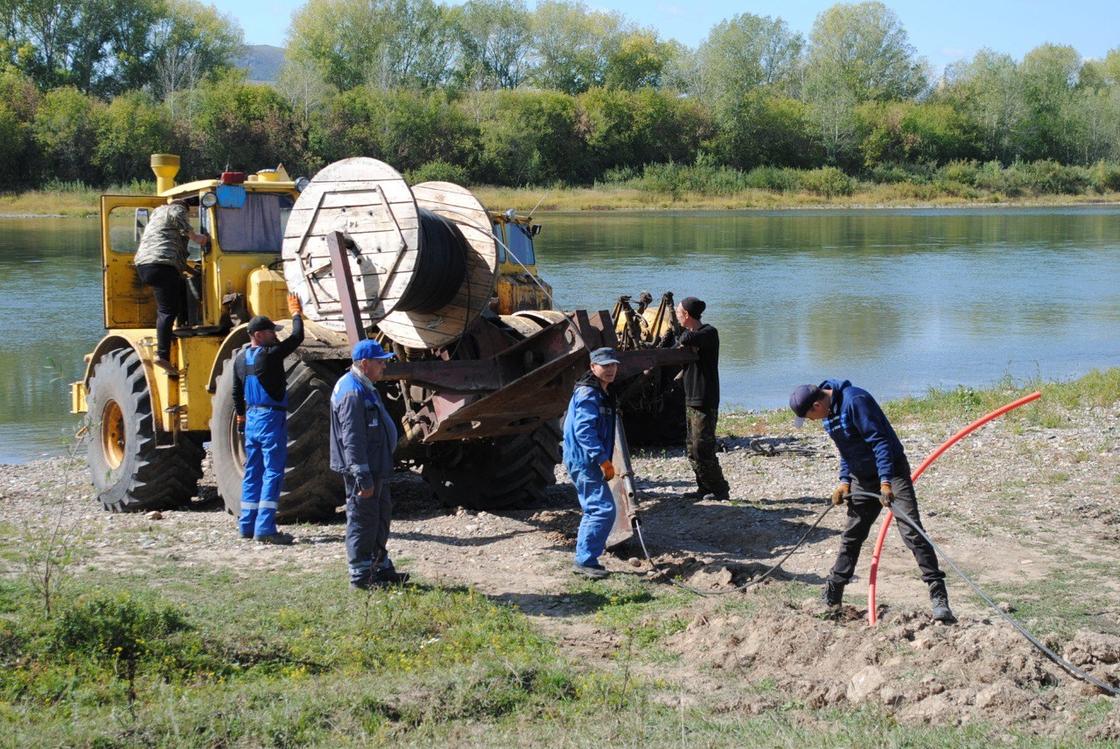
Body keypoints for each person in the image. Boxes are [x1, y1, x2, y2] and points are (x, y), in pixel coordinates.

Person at [789, 380, 955, 623]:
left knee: (913, 532)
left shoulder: (855, 401)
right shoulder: (828, 415)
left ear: (816, 404)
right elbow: (846, 450)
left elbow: (880, 443)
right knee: (852, 535)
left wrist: (886, 482)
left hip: (892, 472)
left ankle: (938, 595)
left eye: (809, 416)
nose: (812, 421)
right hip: (861, 477)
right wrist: (845, 481)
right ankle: (833, 593)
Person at [330, 339, 409, 590]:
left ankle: (380, 566)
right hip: (364, 470)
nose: (383, 367)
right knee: (363, 520)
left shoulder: (364, 385)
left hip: (377, 465)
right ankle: (361, 577)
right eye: (379, 362)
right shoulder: (352, 392)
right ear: (364, 364)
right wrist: (362, 477)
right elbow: (352, 439)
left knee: (379, 517)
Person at [232, 294, 305, 544]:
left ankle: (246, 525)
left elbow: (235, 392)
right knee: (273, 471)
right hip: (270, 418)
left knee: (253, 471)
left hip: (251, 418)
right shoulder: (270, 354)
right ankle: (265, 528)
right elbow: (297, 338)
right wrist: (296, 313)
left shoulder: (240, 359)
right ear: (259, 335)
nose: (275, 335)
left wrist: (241, 418)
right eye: (271, 332)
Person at [563, 346, 621, 579]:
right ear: (592, 367)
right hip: (585, 460)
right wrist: (602, 460)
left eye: (614, 365)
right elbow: (584, 431)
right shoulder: (588, 394)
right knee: (602, 509)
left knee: (594, 508)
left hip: (587, 459)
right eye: (605, 365)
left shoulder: (600, 392)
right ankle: (585, 560)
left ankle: (586, 559)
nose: (610, 370)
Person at [133, 200, 209, 373]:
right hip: (161, 265)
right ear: (186, 208)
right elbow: (176, 214)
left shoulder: (157, 215)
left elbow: (173, 254)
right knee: (167, 311)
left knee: (179, 290)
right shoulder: (175, 209)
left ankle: (175, 330)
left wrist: (193, 271)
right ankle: (162, 355)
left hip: (146, 265)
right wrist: (195, 236)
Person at [675, 296, 730, 501]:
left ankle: (719, 489)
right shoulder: (694, 334)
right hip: (691, 398)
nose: (677, 316)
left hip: (705, 399)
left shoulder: (708, 333)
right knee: (691, 446)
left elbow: (686, 339)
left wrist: (682, 334)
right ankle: (704, 487)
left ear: (687, 315)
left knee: (702, 446)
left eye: (679, 313)